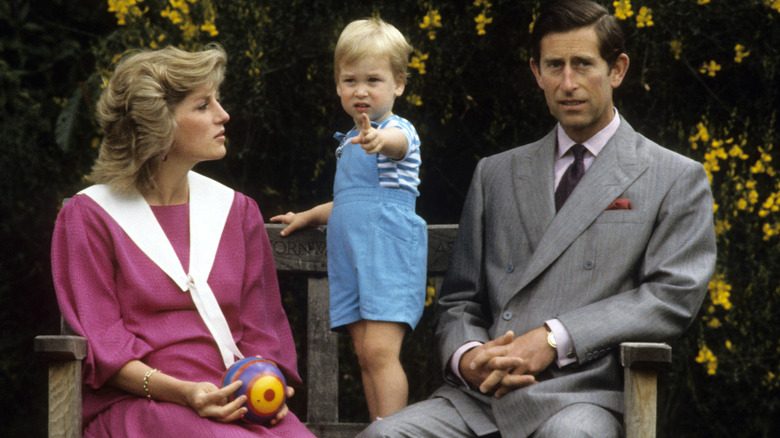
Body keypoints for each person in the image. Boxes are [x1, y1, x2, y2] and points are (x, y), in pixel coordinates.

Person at [359, 1, 717, 437]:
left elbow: (671, 295)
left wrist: (553, 337)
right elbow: (459, 301)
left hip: (582, 397)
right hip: (480, 398)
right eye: (555, 66)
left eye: (583, 64)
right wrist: (468, 357)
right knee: (384, 435)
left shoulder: (673, 176)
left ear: (617, 69)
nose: (568, 83)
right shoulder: (496, 173)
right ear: (536, 72)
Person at [51, 44, 315, 437]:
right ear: (160, 124)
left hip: (235, 399)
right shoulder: (90, 217)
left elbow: (263, 332)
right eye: (203, 105)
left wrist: (268, 389)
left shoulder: (237, 211)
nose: (223, 115)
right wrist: (186, 393)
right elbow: (104, 344)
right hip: (144, 404)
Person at [270, 18, 427, 422]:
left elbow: (398, 147)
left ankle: (392, 431)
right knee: (364, 353)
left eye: (373, 79)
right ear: (338, 86)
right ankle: (381, 426)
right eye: (349, 80)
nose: (360, 90)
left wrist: (378, 139)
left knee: (380, 351)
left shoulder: (395, 130)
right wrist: (308, 215)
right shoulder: (347, 141)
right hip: (352, 256)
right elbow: (347, 202)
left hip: (387, 251)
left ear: (398, 84)